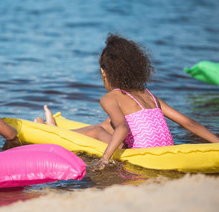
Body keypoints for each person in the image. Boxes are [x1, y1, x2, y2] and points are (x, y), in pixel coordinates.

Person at [35, 34, 219, 171]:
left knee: (97, 131)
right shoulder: (149, 95)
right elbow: (188, 122)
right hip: (166, 148)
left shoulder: (110, 97)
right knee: (108, 124)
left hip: (144, 152)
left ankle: (55, 133)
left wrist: (105, 159)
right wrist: (216, 143)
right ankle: (57, 128)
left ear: (104, 73)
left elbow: (122, 128)